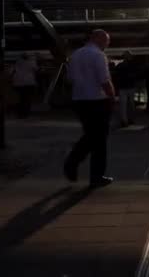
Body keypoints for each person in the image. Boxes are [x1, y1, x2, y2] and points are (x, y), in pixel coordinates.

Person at [64, 29, 115, 188]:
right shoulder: (98, 55)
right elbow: (104, 80)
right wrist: (112, 98)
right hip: (97, 101)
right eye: (106, 41)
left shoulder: (75, 55)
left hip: (79, 100)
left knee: (91, 136)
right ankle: (94, 175)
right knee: (99, 140)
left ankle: (73, 163)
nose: (107, 44)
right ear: (98, 39)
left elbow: (70, 79)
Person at [114, 50, 138, 128]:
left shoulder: (122, 66)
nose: (127, 57)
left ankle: (127, 119)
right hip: (127, 86)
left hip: (126, 86)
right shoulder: (131, 66)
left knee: (127, 105)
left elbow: (116, 76)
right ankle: (126, 120)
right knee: (127, 104)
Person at [11, 53, 38, 118]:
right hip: (28, 83)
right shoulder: (31, 62)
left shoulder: (17, 63)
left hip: (18, 83)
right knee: (27, 99)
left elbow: (11, 71)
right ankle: (25, 113)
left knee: (20, 99)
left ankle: (20, 113)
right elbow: (36, 69)